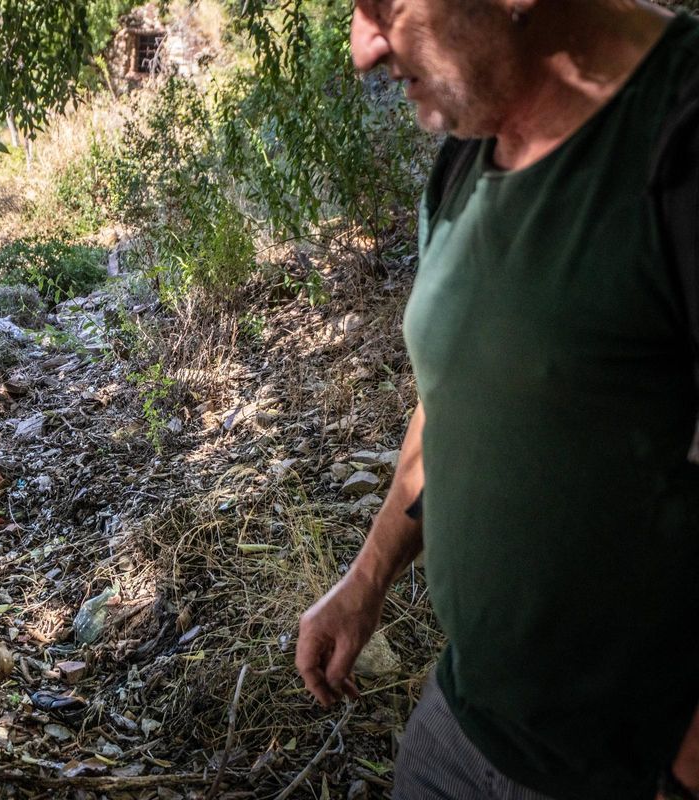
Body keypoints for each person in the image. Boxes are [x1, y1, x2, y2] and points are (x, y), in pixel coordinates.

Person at [294, 2, 699, 799]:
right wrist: (366, 580)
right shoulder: (469, 155)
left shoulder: (679, 136)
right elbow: (452, 393)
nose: (363, 48)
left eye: (386, 5)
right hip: (465, 720)